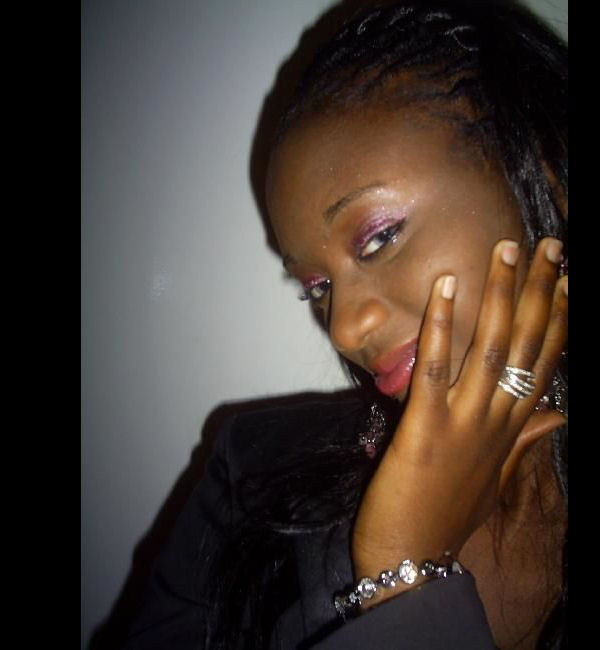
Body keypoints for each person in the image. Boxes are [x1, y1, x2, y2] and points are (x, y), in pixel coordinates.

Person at [123, 1, 568, 648]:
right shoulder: (249, 480)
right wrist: (403, 575)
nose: (344, 330)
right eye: (318, 287)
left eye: (380, 236)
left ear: (546, 180)